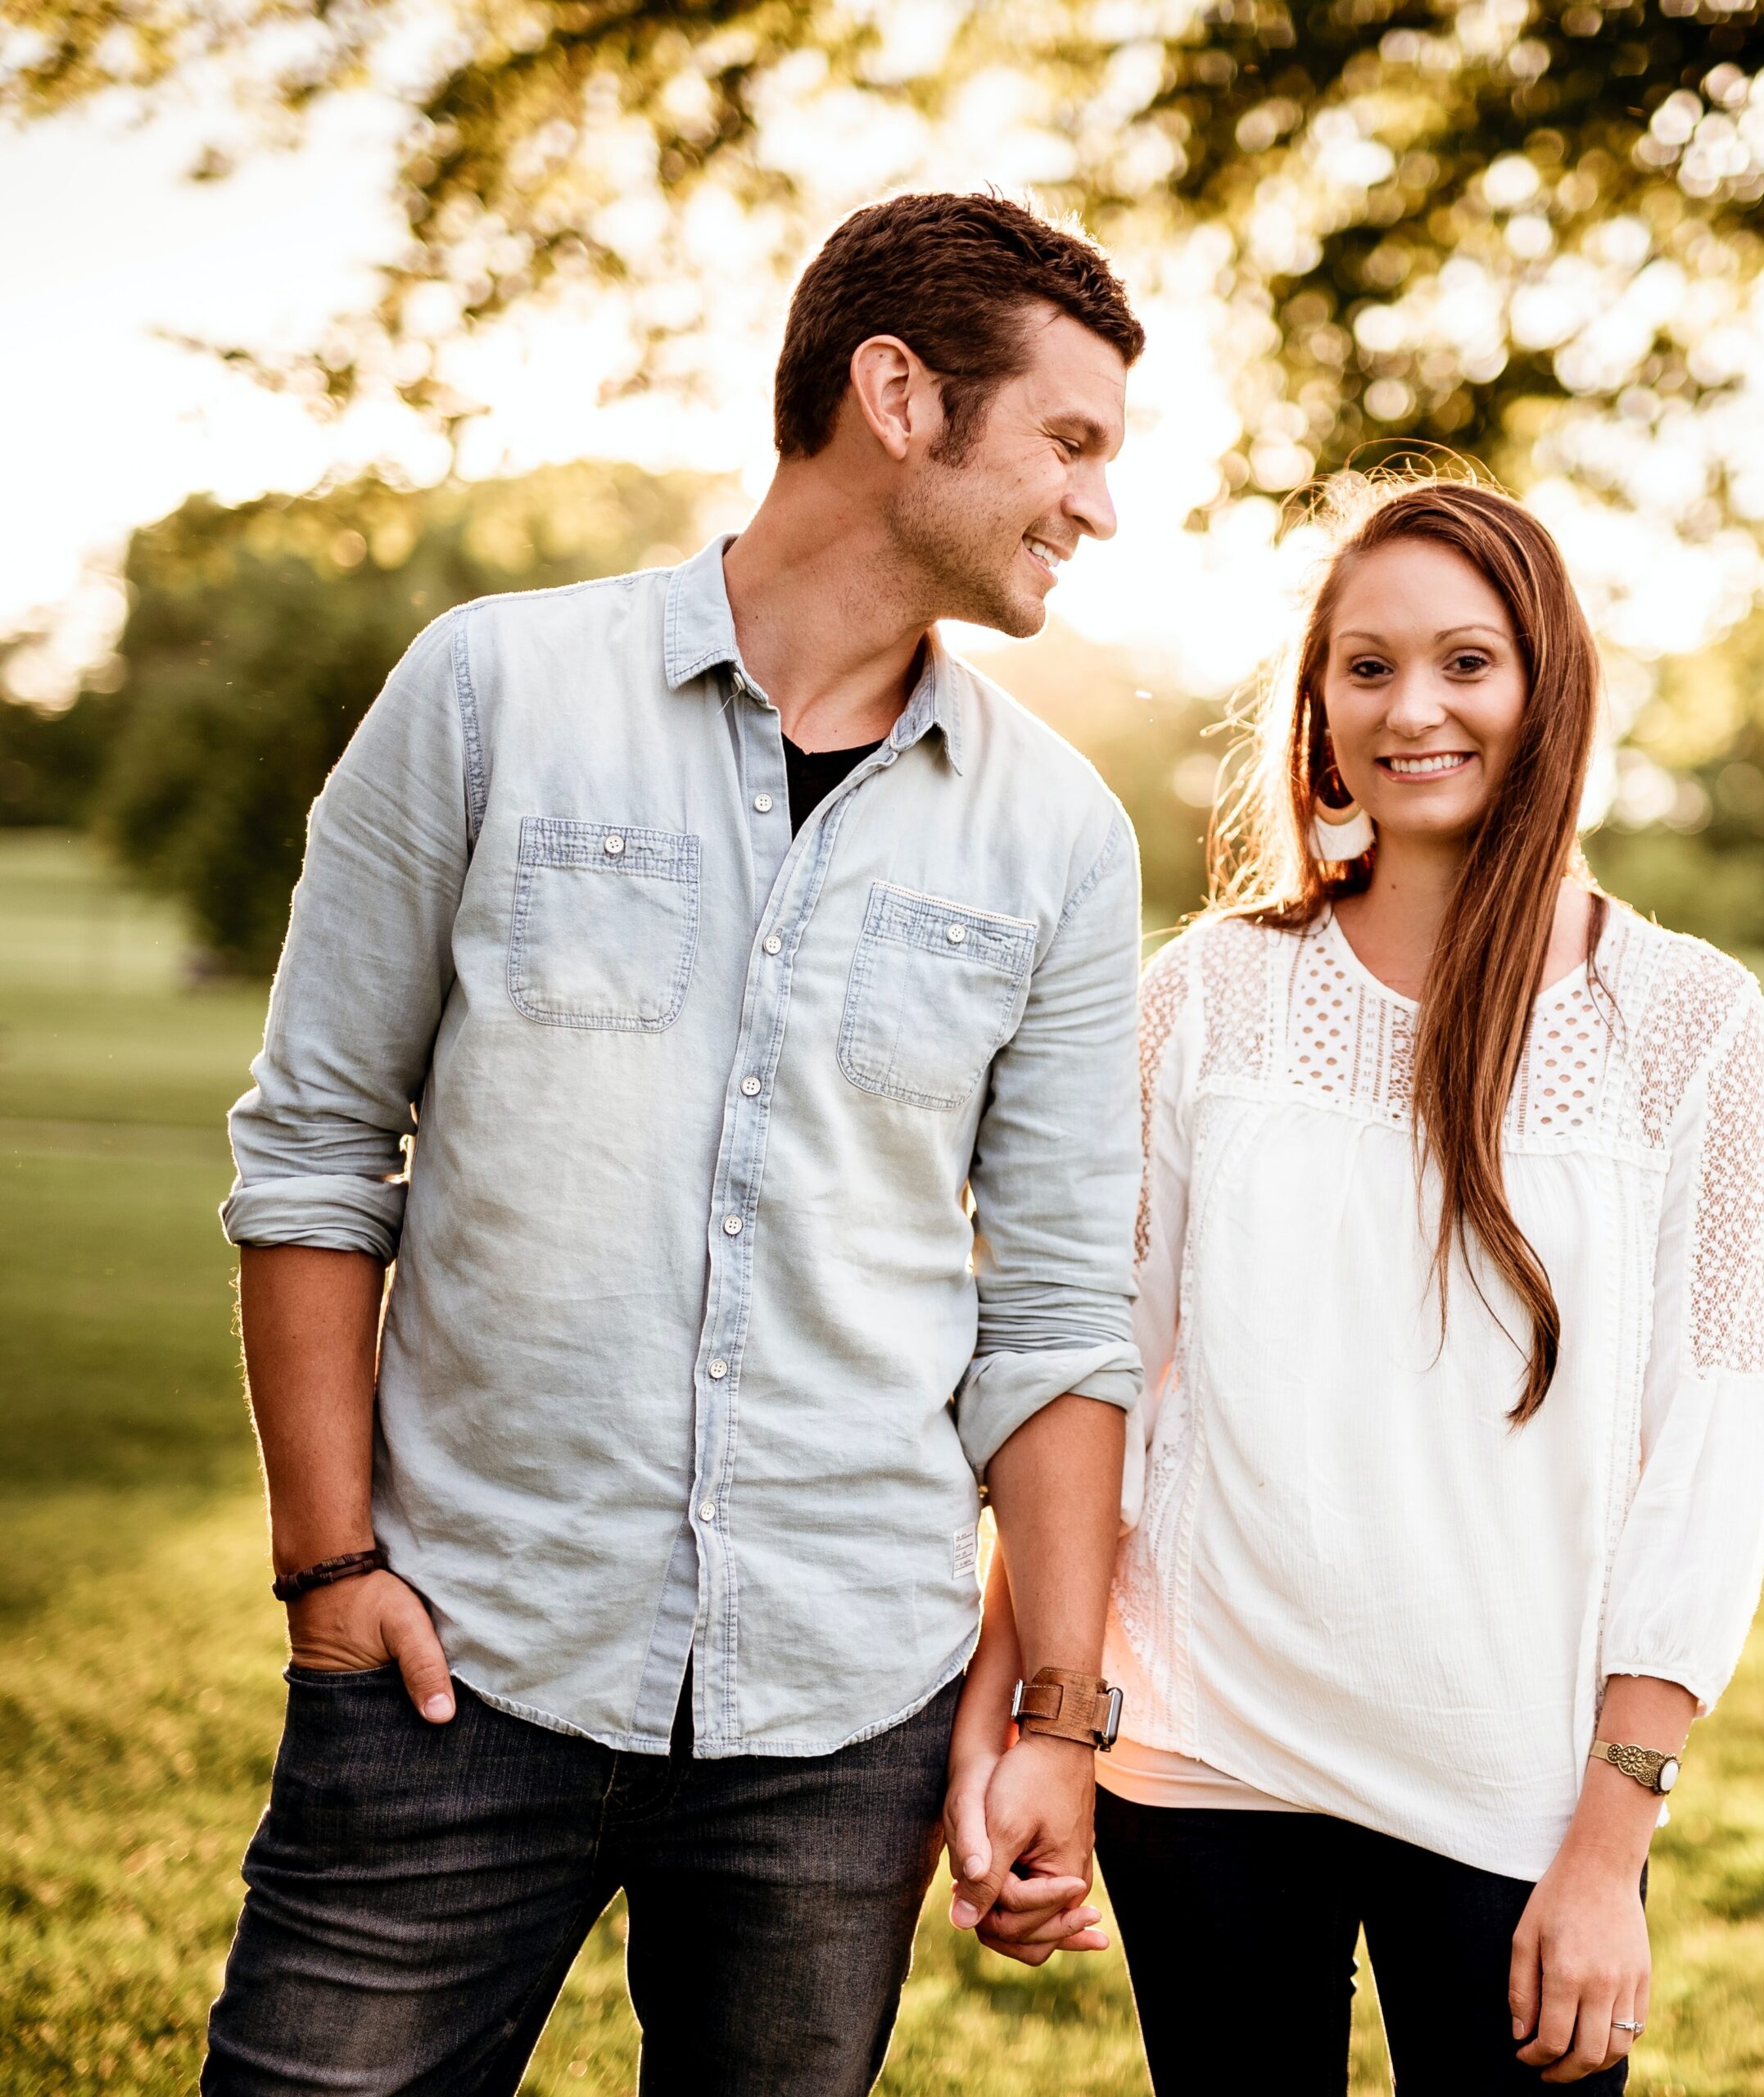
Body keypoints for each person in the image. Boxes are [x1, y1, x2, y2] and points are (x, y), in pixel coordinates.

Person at [205, 191, 1150, 2097]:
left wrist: (1055, 1708)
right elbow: (315, 1152)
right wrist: (328, 1568)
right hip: (453, 1658)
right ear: (897, 394)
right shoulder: (489, 693)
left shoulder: (1056, 834)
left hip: (841, 1710)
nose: (1095, 506)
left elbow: (1054, 1299)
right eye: (1068, 439)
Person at [947, 474, 1764, 2088]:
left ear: (1544, 689)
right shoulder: (1201, 997)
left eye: (1466, 662)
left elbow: (1706, 1447)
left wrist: (1609, 1839)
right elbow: (1098, 1377)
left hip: (1513, 1787)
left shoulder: (1685, 1020)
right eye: (1368, 664)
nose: (1415, 708)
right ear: (1317, 705)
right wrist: (1038, 1719)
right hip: (1201, 1758)